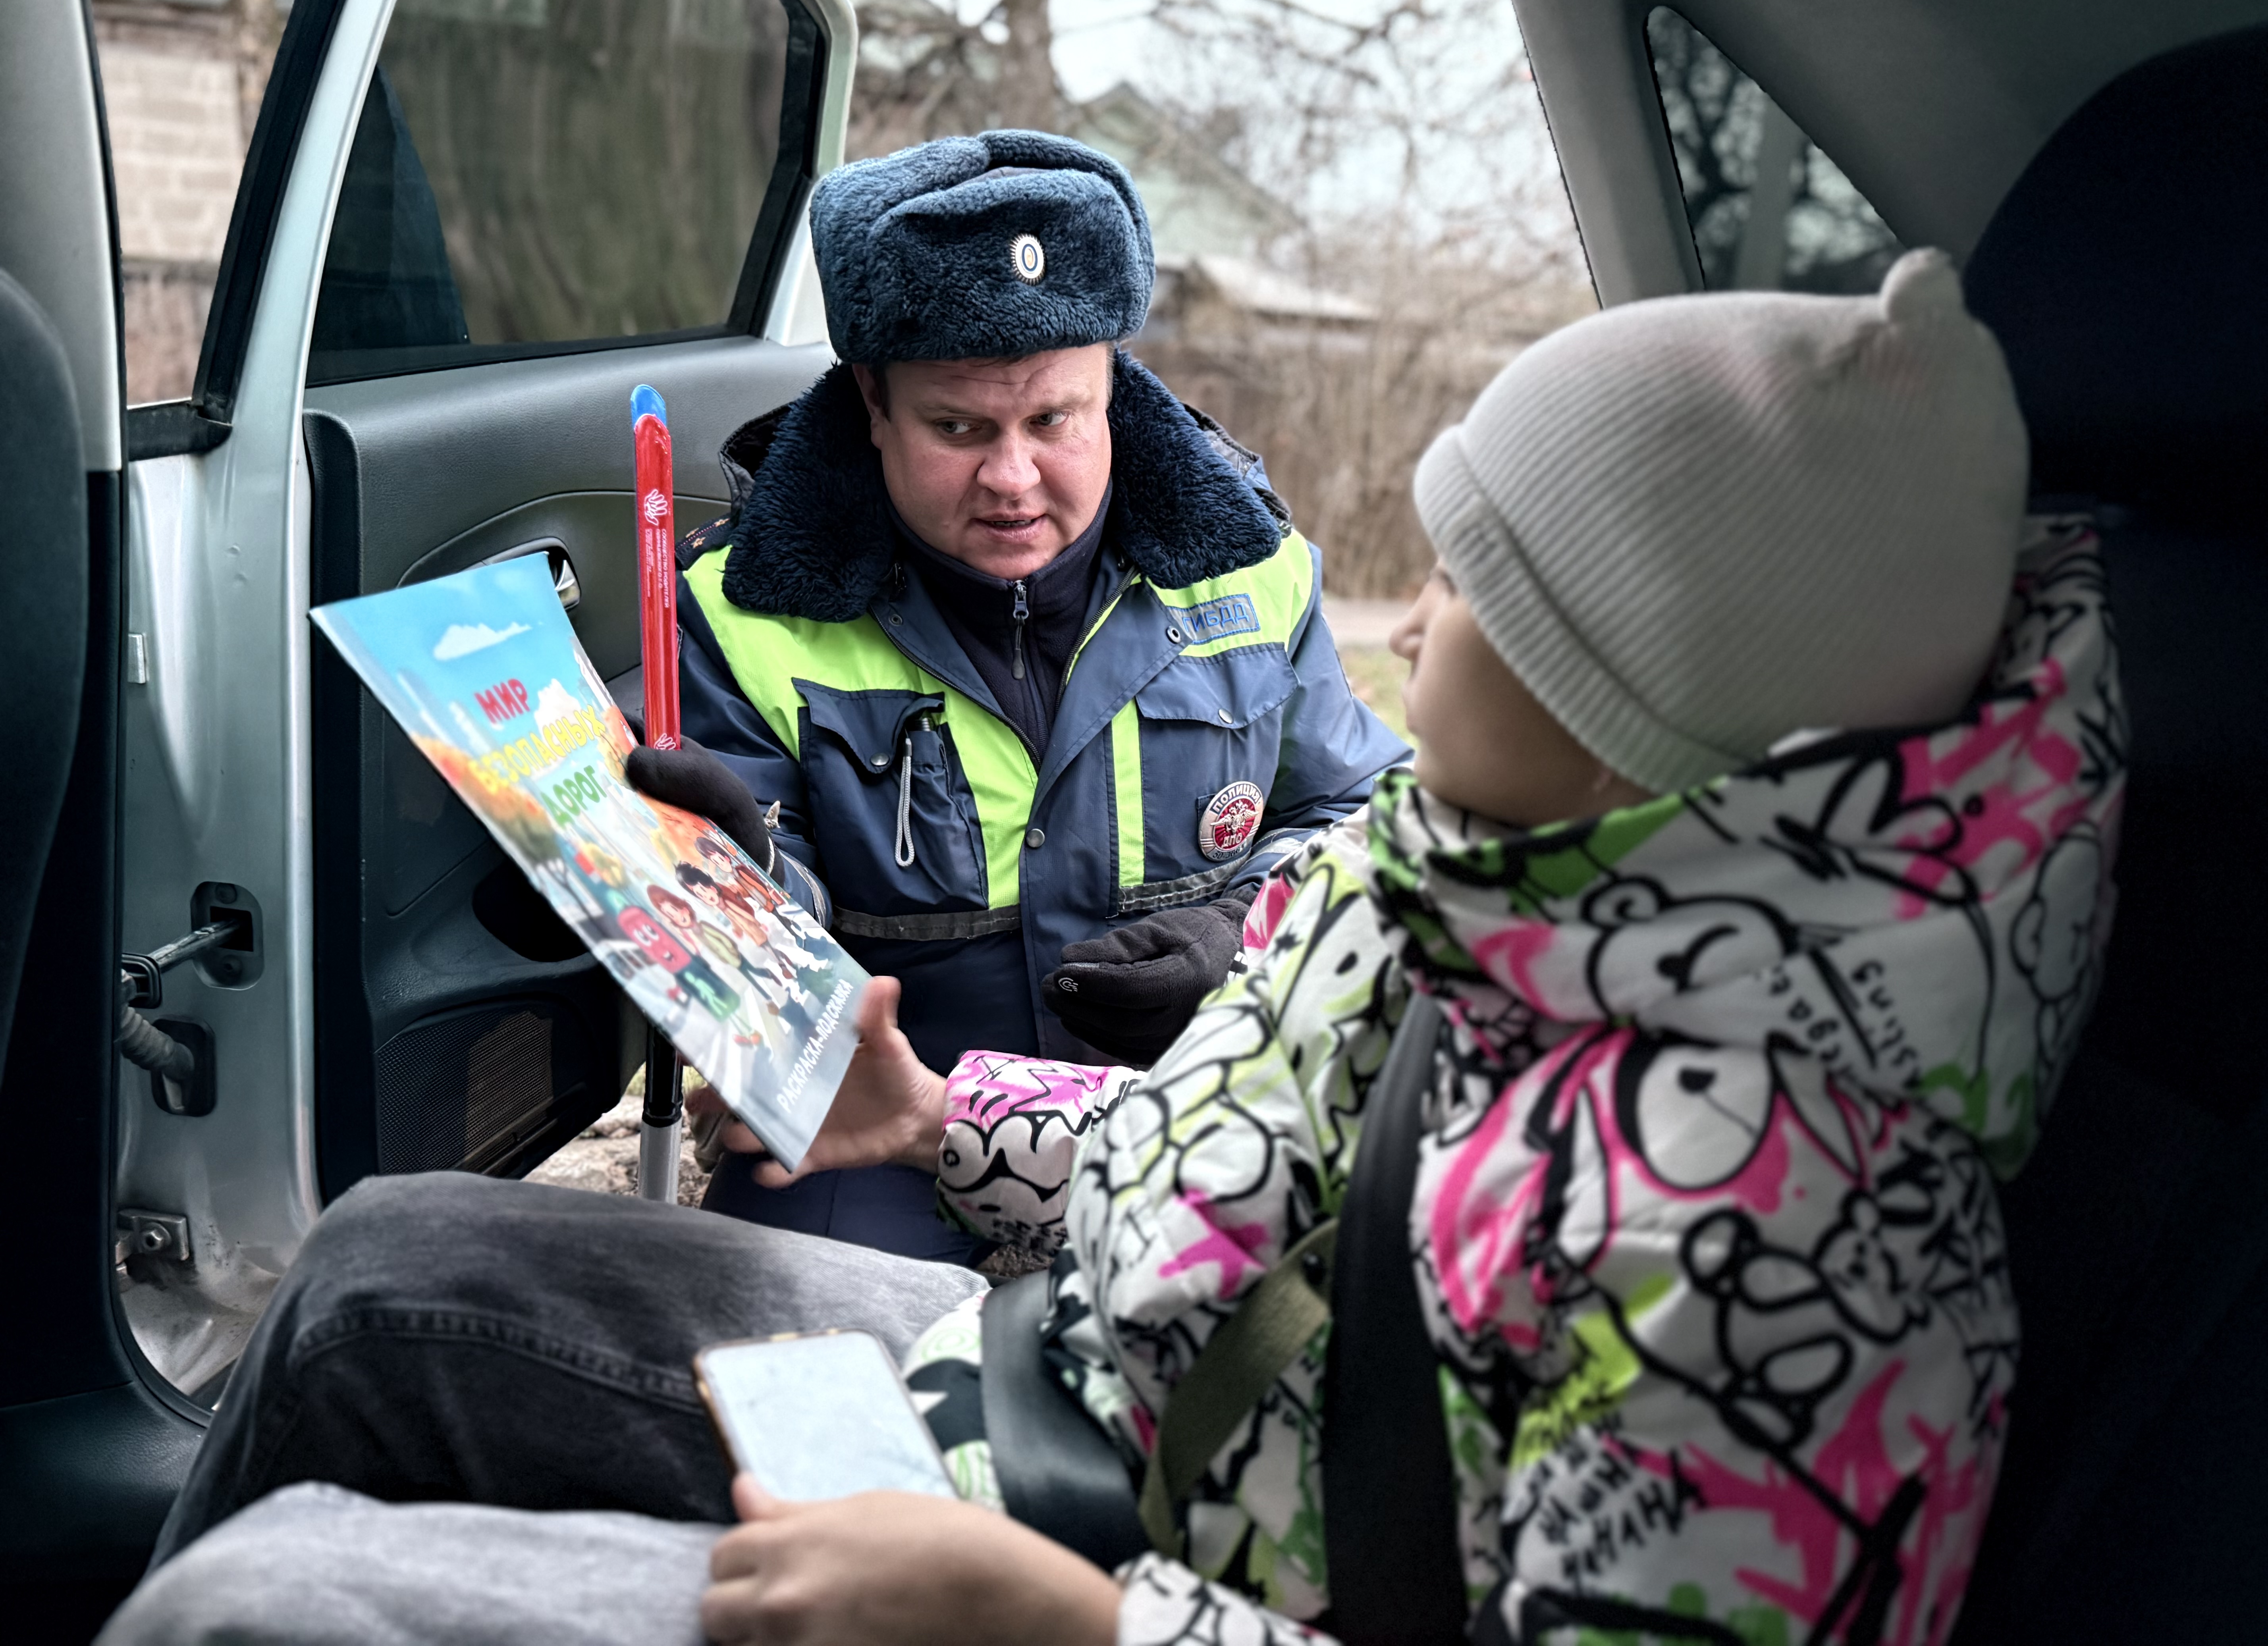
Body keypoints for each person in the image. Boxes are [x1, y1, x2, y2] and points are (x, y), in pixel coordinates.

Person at [102, 251, 2123, 1646]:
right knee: (377, 1267)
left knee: (262, 1609)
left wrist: (1069, 1626)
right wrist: (935, 1113)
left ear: (1637, 710)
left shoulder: (1782, 1224)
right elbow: (1263, 1180)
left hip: (1113, 1566)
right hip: (1063, 1389)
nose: (1418, 619)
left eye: (1484, 586)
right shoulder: (1499, 876)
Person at [621, 130, 1407, 1263]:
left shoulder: (1252, 568)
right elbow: (744, 960)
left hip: (1182, 1088)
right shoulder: (738, 612)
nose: (1012, 478)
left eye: (1054, 420)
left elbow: (1367, 816)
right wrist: (740, 883)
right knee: (800, 1342)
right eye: (958, 428)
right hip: (879, 1111)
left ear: (1112, 387)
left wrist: (1238, 931)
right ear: (872, 402)